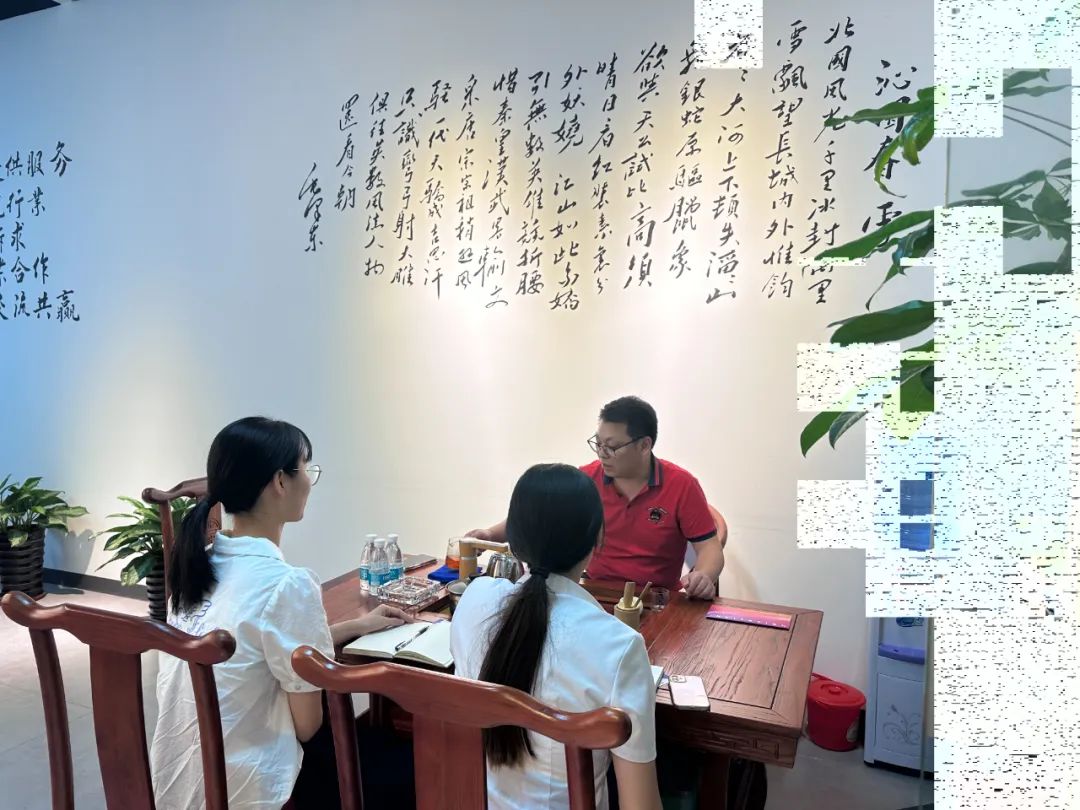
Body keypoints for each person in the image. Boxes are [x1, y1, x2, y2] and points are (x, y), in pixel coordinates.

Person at [149, 416, 415, 810]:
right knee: (412, 761)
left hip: (182, 777)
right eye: (306, 468)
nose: (309, 480)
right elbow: (308, 726)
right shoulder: (286, 584)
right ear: (280, 481)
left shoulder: (197, 567)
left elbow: (257, 642)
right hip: (250, 785)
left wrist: (356, 626)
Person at [451, 463, 662, 810]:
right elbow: (641, 805)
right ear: (598, 539)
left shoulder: (474, 600)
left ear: (512, 540)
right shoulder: (619, 646)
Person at [468, 396, 726, 598]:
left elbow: (710, 548)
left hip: (656, 598)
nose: (602, 454)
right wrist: (490, 535)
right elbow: (538, 515)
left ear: (644, 445)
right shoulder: (587, 479)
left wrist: (703, 575)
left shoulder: (682, 485)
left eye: (612, 447)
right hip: (593, 592)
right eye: (598, 444)